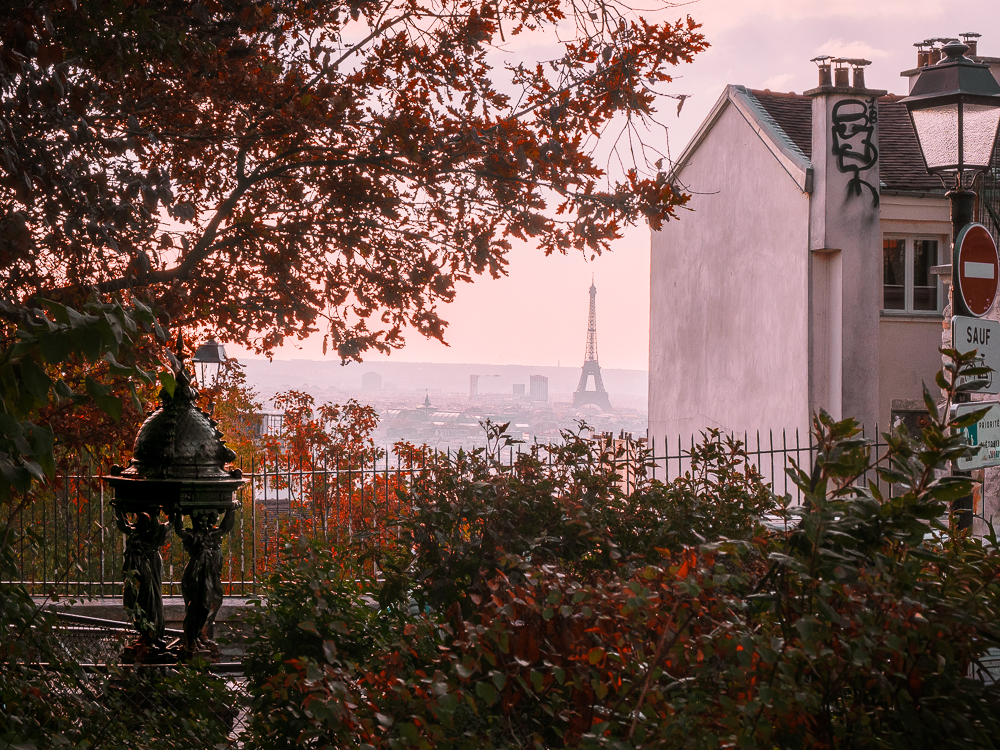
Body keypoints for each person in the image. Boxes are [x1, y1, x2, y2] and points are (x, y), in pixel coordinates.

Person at [173, 507, 235, 655]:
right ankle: (190, 640)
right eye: (200, 519)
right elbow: (179, 530)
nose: (204, 522)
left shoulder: (210, 535)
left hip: (208, 573)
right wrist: (178, 513)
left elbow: (225, 528)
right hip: (195, 573)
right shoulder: (192, 535)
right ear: (194, 521)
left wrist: (231, 511)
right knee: (195, 606)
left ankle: (198, 635)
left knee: (210, 603)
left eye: (206, 519)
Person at [115, 508, 170, 647]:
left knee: (148, 599)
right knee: (135, 599)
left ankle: (151, 633)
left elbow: (162, 526)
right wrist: (118, 509)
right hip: (134, 569)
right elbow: (123, 525)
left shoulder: (152, 535)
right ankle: (146, 633)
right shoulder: (136, 532)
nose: (138, 521)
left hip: (144, 569)